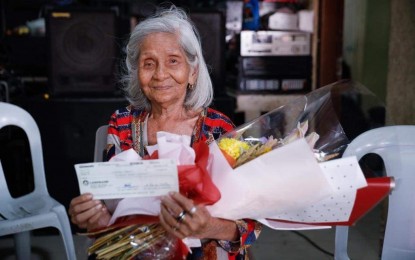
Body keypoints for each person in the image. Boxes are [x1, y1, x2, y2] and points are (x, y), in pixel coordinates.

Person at [68, 5, 262, 259]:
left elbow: (251, 229)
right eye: (149, 63)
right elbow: (110, 209)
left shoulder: (219, 129)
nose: (160, 74)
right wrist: (97, 217)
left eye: (173, 61)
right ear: (138, 74)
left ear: (192, 72)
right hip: (136, 246)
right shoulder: (123, 122)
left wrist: (207, 226)